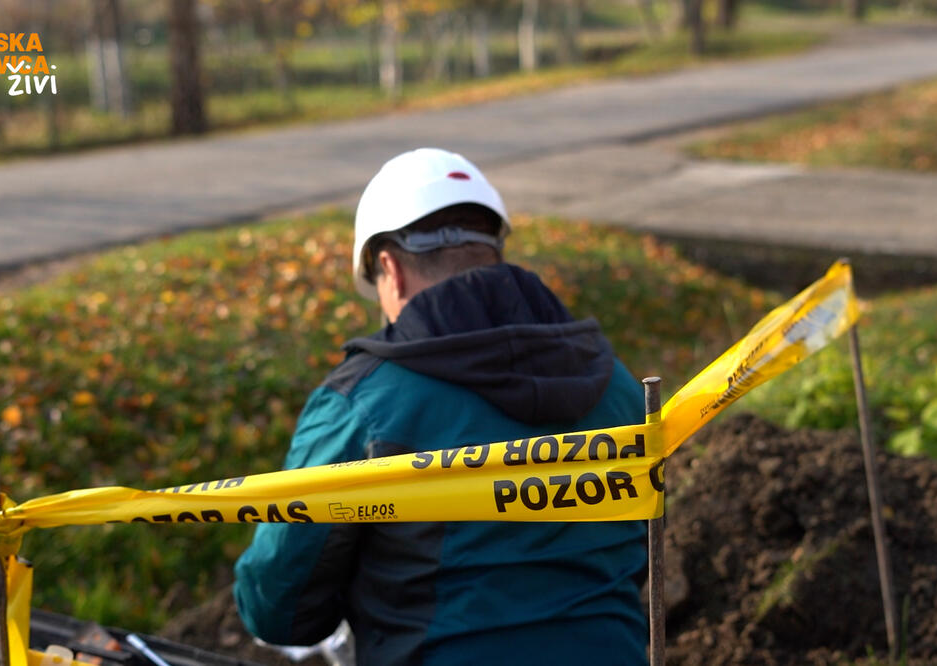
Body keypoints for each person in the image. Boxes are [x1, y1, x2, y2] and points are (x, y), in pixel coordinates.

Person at [233, 148, 649, 665]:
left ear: (390, 269)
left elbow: (278, 608)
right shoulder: (621, 388)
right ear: (493, 251)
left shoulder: (365, 406)